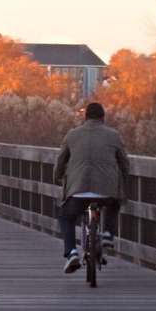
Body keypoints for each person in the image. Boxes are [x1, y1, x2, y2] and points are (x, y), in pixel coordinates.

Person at [54, 102, 130, 274]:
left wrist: (58, 176)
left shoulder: (72, 135)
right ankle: (108, 235)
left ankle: (71, 252)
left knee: (66, 216)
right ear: (103, 118)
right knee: (114, 203)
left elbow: (60, 162)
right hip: (106, 190)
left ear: (85, 117)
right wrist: (124, 179)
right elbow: (124, 163)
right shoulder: (114, 135)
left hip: (77, 190)